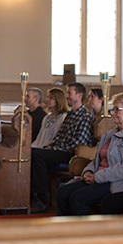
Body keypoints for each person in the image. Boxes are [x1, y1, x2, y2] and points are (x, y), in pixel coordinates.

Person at [57, 91, 123, 216]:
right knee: (63, 191)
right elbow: (97, 160)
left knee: (78, 198)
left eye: (117, 109)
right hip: (98, 178)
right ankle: (63, 230)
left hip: (117, 182)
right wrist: (88, 172)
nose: (112, 113)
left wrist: (97, 177)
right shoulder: (110, 134)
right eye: (113, 109)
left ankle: (85, 234)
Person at [30, 82, 94, 212]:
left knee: (37, 155)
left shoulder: (85, 116)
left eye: (69, 93)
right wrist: (51, 147)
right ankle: (31, 195)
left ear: (79, 95)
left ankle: (41, 198)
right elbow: (59, 137)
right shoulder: (70, 114)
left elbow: (78, 143)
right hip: (61, 150)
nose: (66, 96)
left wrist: (54, 149)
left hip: (73, 155)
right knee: (33, 152)